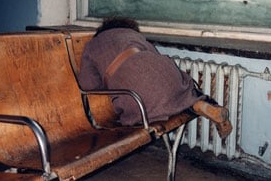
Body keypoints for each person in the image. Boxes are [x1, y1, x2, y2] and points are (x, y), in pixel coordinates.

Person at [78, 17, 232, 138]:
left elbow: (88, 85)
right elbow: (153, 59)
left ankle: (193, 105)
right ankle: (198, 104)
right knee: (185, 90)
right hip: (168, 76)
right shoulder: (132, 34)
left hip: (137, 96)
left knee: (139, 111)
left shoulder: (92, 45)